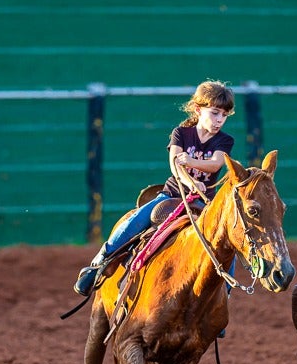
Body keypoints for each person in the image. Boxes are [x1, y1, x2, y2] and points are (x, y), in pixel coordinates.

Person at [74, 80, 236, 296]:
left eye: (224, 115)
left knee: (226, 241)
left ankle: (224, 293)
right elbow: (175, 166)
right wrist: (190, 183)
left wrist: (189, 161)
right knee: (136, 221)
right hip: (172, 194)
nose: (219, 120)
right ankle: (99, 264)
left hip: (204, 202)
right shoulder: (181, 133)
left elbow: (215, 164)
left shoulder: (224, 141)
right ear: (198, 109)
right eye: (215, 113)